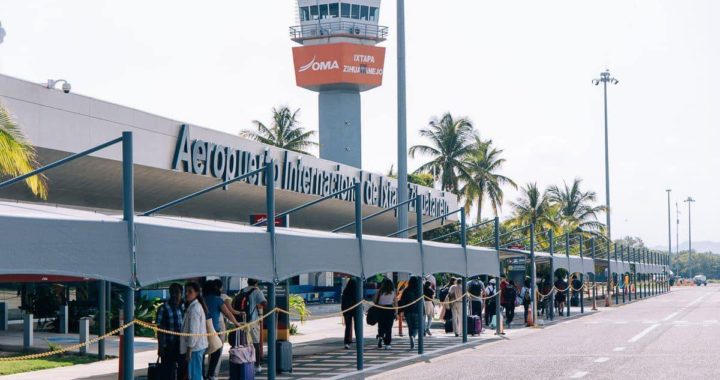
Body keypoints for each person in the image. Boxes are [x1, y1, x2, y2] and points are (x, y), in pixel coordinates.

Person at [204, 280, 241, 380]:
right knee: (216, 352)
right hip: (214, 331)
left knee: (201, 354)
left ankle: (202, 375)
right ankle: (211, 374)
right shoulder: (217, 300)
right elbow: (228, 313)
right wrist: (237, 324)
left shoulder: (201, 299)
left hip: (200, 332)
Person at [234, 278, 268, 374]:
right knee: (255, 343)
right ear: (256, 283)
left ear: (248, 282)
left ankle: (244, 362)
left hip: (242, 320)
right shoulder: (257, 291)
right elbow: (264, 303)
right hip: (252, 321)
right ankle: (257, 365)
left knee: (243, 342)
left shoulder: (242, 290)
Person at [157, 283, 185, 380]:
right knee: (168, 373)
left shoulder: (183, 308)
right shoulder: (163, 308)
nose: (174, 295)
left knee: (182, 372)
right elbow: (160, 329)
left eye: (176, 292)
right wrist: (160, 347)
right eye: (172, 292)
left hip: (181, 346)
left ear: (181, 293)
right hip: (168, 347)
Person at [180, 281, 208, 380]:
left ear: (196, 293)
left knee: (194, 375)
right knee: (196, 373)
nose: (186, 294)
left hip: (195, 348)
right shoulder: (194, 306)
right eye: (186, 291)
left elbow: (193, 331)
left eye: (190, 291)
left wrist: (189, 350)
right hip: (197, 346)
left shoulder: (195, 309)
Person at [374, 278, 397, 350]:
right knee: (388, 327)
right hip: (389, 309)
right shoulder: (393, 292)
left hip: (380, 309)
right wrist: (396, 312)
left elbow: (374, 300)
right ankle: (387, 344)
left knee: (381, 325)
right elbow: (395, 303)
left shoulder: (380, 291)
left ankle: (380, 336)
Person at [399, 276, 421, 349]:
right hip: (416, 311)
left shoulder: (406, 290)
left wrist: (401, 310)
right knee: (416, 326)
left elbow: (402, 301)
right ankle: (413, 336)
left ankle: (411, 336)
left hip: (407, 311)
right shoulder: (419, 290)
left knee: (410, 326)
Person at [341, 278, 359, 349]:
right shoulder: (356, 292)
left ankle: (346, 342)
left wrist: (343, 312)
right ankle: (359, 341)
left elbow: (343, 303)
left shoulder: (345, 292)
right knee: (357, 326)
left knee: (348, 327)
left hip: (347, 310)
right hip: (355, 310)